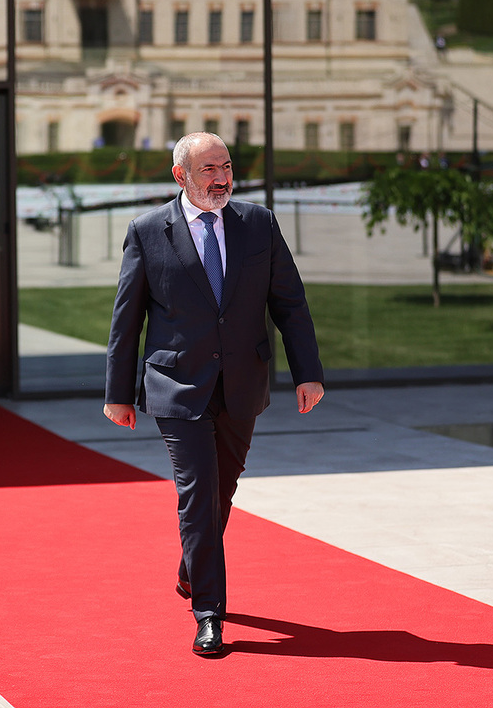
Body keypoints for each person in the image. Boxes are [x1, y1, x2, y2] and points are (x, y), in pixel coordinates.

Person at [104, 132, 325, 656]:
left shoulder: (259, 224)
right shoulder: (146, 231)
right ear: (180, 175)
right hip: (176, 385)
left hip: (243, 383)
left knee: (221, 491)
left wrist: (307, 372)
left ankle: (190, 565)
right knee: (198, 493)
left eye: (226, 166)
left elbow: (289, 303)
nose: (222, 177)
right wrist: (118, 392)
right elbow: (127, 318)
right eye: (209, 169)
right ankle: (209, 613)